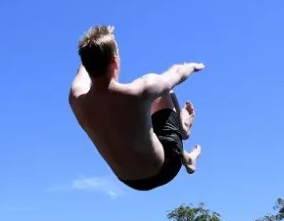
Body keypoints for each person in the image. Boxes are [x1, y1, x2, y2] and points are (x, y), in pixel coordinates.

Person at [68, 25, 204, 191]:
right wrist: (194, 66)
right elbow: (177, 72)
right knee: (165, 90)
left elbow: (84, 68)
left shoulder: (77, 99)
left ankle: (187, 157)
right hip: (165, 167)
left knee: (129, 122)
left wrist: (96, 46)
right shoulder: (141, 91)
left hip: (130, 181)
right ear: (114, 61)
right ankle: (182, 130)